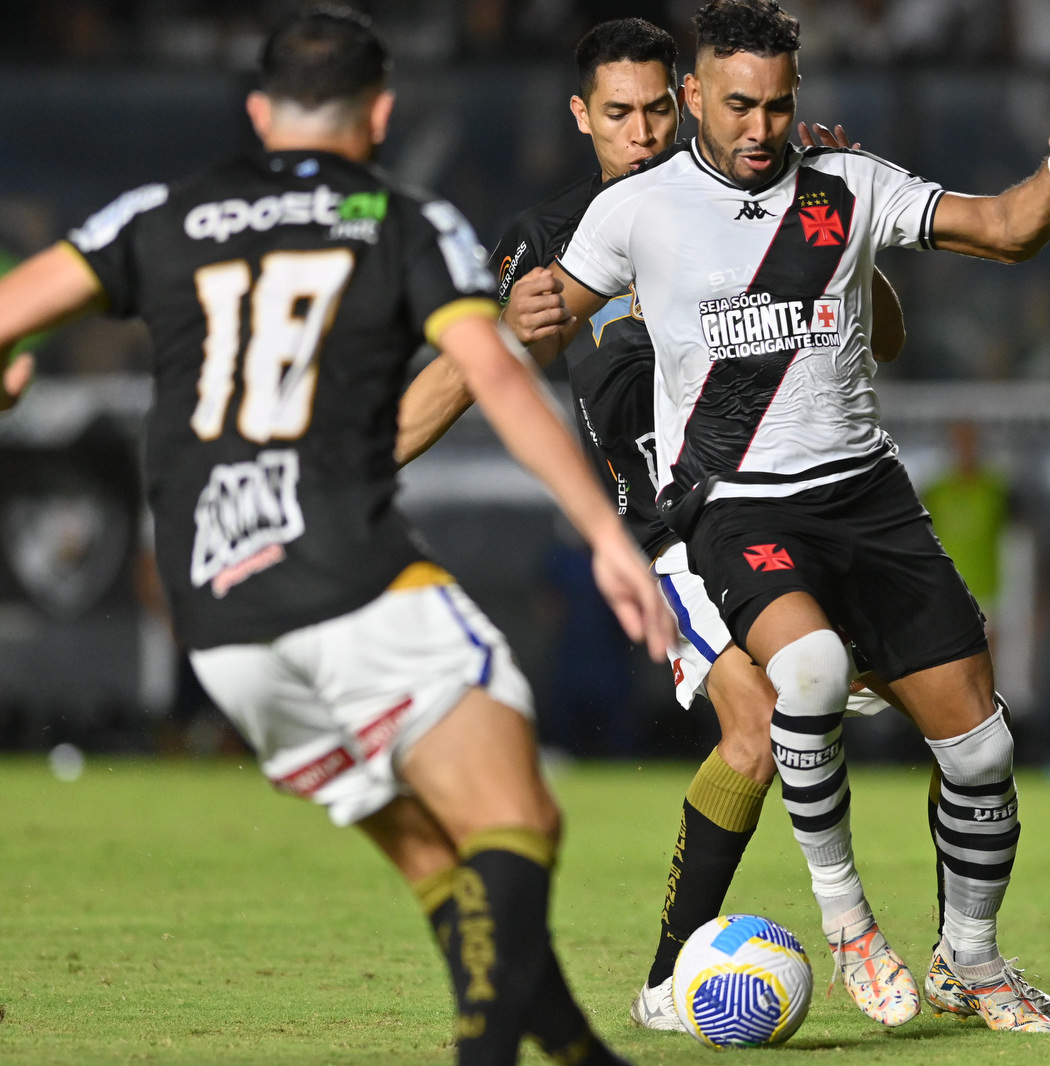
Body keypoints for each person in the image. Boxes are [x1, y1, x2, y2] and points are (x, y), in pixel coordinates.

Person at [0, 9, 678, 1066]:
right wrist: (606, 533)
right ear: (381, 113)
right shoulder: (400, 218)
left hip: (217, 607)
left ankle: (581, 1056)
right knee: (519, 820)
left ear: (260, 112)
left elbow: (13, 312)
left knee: (436, 857)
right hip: (346, 568)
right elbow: (495, 371)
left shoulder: (160, 212)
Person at [396, 16, 1050, 1032]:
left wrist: (833, 242)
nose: (640, 133)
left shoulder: (800, 192)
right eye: (619, 114)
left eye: (652, 110)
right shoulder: (562, 236)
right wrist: (366, 463)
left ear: (680, 101)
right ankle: (692, 972)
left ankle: (959, 956)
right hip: (676, 519)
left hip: (833, 499)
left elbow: (885, 334)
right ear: (584, 116)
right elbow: (486, 364)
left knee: (950, 726)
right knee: (765, 719)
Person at [922, 420, 1010, 621]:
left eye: (970, 441)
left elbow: (1019, 540)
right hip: (945, 593)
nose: (964, 449)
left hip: (987, 595)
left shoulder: (996, 491)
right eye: (958, 442)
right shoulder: (935, 493)